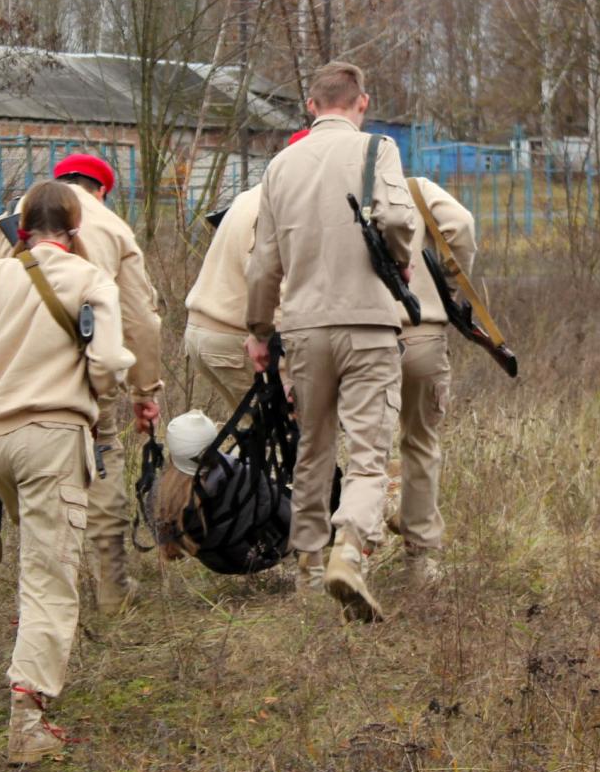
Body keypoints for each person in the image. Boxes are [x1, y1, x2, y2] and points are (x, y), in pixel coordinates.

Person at [0, 180, 134, 764]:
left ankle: (28, 654)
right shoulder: (89, 279)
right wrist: (100, 385)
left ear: (21, 226)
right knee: (52, 574)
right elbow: (106, 363)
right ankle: (27, 718)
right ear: (75, 228)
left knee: (37, 557)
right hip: (52, 440)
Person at [244, 61, 418, 621]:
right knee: (367, 456)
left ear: (312, 105)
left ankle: (308, 568)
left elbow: (264, 261)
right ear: (361, 102)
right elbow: (395, 218)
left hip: (302, 328)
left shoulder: (279, 166)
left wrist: (257, 331)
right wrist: (400, 261)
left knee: (312, 449)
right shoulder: (378, 151)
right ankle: (351, 549)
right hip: (368, 322)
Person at [0, 153, 163, 616]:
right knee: (101, 465)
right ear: (100, 190)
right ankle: (111, 589)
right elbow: (140, 319)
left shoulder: (8, 220)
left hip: (5, 384)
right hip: (85, 381)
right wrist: (144, 391)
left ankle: (51, 583)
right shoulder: (113, 227)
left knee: (30, 485)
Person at [183, 130, 309, 415]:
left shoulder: (254, 194)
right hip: (236, 336)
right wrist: (287, 367)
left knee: (254, 435)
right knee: (290, 438)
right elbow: (272, 284)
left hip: (208, 331)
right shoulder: (286, 203)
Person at [390, 177, 477, 582]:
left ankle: (351, 548)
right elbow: (460, 224)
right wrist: (445, 280)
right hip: (422, 330)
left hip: (359, 332)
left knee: (360, 444)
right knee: (420, 442)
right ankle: (420, 560)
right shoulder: (413, 186)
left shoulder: (331, 179)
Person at [153, 410, 292, 575]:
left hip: (221, 563)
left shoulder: (164, 496)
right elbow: (281, 510)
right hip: (268, 552)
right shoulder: (243, 472)